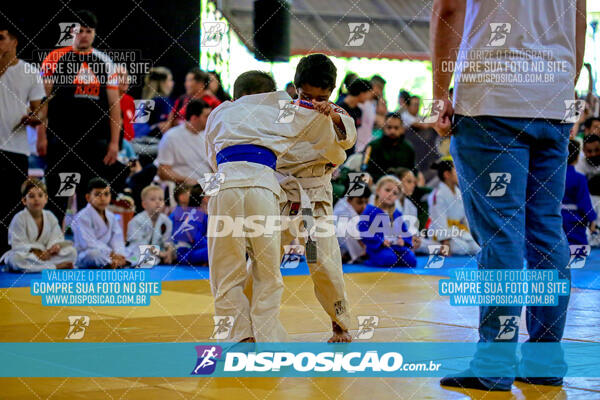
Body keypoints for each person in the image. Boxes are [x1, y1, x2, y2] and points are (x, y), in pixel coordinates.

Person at [431, 0, 586, 390]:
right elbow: (579, 22)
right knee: (547, 231)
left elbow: (448, 9)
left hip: (492, 99)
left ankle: (494, 364)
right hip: (553, 102)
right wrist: (564, 88)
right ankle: (545, 362)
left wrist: (439, 92)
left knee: (502, 235)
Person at [274, 53, 358, 342]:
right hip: (281, 194)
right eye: (305, 95)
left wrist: (332, 115)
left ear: (331, 93)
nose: (312, 102)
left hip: (316, 199)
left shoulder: (338, 115)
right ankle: (247, 323)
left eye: (319, 97)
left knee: (323, 260)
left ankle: (340, 324)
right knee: (264, 259)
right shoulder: (282, 112)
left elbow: (348, 140)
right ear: (296, 87)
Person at [40, 10, 127, 223]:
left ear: (95, 34)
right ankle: (52, 243)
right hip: (60, 138)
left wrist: (114, 142)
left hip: (93, 142)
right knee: (58, 194)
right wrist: (41, 135)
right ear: (72, 32)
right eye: (80, 31)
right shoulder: (54, 58)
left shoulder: (105, 62)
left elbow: (115, 106)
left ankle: (88, 246)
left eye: (89, 31)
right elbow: (43, 101)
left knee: (90, 196)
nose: (84, 35)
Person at [0, 23, 46, 254]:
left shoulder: (29, 71)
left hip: (15, 147)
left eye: (1, 38)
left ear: (14, 41)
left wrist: (34, 118)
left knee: (9, 204)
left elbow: (40, 110)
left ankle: (6, 252)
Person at [1, 179, 76, 272]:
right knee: (15, 259)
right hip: (29, 255)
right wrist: (35, 251)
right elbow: (17, 244)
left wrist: (53, 248)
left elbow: (56, 238)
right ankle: (54, 267)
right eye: (31, 196)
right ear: (24, 200)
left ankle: (42, 266)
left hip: (47, 255)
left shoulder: (50, 216)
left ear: (46, 199)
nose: (36, 199)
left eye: (40, 195)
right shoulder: (19, 218)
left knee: (72, 252)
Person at [358, 175, 417, 268]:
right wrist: (380, 241)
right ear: (378, 190)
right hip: (378, 248)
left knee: (411, 260)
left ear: (397, 197)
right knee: (389, 259)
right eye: (387, 190)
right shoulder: (370, 210)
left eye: (395, 193)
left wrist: (404, 241)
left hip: (397, 247)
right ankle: (369, 259)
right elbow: (363, 229)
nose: (390, 195)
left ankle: (395, 258)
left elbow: (405, 231)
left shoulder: (397, 213)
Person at [72, 178, 127, 269]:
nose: (102, 198)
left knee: (130, 251)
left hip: (108, 254)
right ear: (88, 197)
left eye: (106, 194)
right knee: (93, 254)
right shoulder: (82, 216)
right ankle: (111, 263)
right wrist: (111, 253)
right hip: (87, 254)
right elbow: (88, 242)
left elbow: (117, 238)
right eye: (98, 194)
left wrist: (119, 254)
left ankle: (114, 262)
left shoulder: (111, 216)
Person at [427, 158, 479, 256]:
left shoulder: (459, 192)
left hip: (457, 231)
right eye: (457, 171)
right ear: (447, 174)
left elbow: (465, 217)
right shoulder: (438, 194)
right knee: (462, 248)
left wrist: (472, 233)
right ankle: (438, 245)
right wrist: (445, 241)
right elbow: (439, 218)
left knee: (476, 247)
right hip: (441, 234)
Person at [156, 99, 212, 188]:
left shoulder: (208, 135)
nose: (211, 119)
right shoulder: (171, 137)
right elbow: (163, 171)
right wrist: (186, 180)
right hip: (185, 187)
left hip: (208, 185)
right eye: (207, 116)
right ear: (194, 118)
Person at [126, 185, 174, 265]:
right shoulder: (136, 221)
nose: (158, 202)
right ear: (144, 204)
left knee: (175, 252)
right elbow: (139, 244)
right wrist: (160, 253)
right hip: (137, 251)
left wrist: (169, 251)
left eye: (161, 199)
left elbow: (167, 240)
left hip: (158, 253)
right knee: (139, 257)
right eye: (153, 199)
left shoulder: (167, 221)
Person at [362, 112, 415, 183]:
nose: (392, 131)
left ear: (402, 129)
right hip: (377, 185)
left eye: (396, 128)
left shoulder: (408, 148)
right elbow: (365, 171)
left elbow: (413, 171)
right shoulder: (373, 146)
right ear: (384, 128)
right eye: (389, 127)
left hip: (402, 187)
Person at [562, 140, 597, 245]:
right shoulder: (579, 178)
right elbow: (584, 203)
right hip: (574, 222)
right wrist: (592, 219)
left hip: (556, 219)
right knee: (577, 256)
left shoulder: (554, 178)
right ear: (577, 157)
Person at [170, 185, 208, 266]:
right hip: (184, 253)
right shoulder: (177, 217)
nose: (187, 206)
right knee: (215, 250)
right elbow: (197, 241)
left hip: (192, 250)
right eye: (183, 203)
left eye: (188, 202)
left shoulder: (202, 215)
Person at [333, 186, 370, 264]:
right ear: (349, 200)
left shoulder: (345, 203)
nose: (364, 206)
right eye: (359, 202)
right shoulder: (342, 212)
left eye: (366, 202)